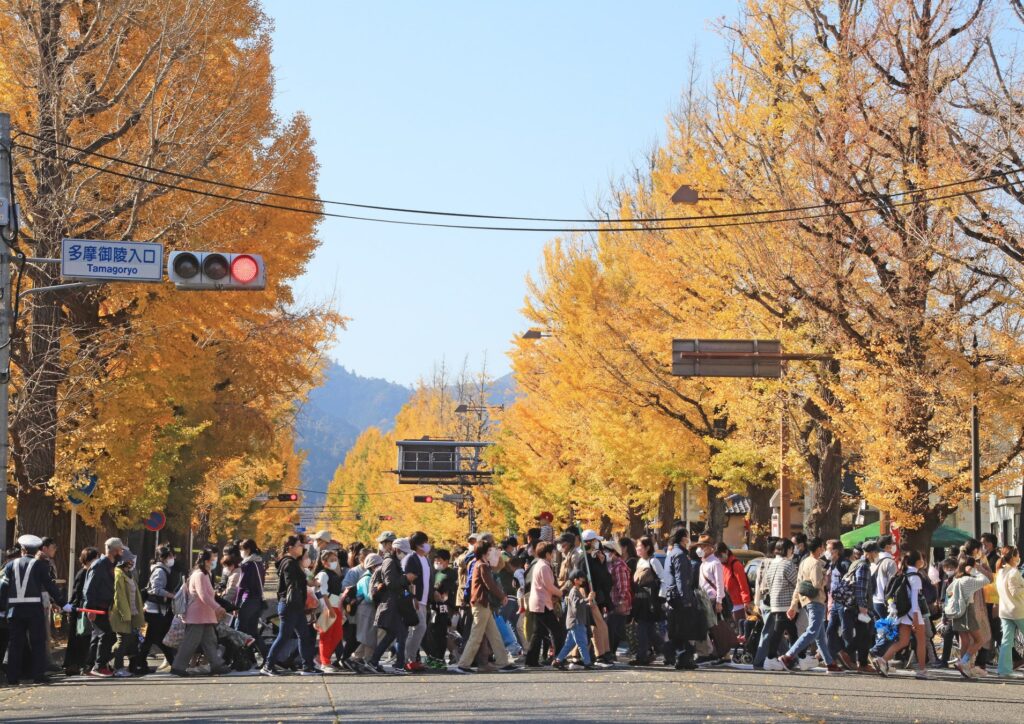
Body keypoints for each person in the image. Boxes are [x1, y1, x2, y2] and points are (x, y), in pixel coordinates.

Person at [0, 534, 70, 685]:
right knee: (38, 642)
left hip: (14, 611)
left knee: (15, 644)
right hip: (34, 611)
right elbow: (50, 586)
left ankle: (13, 677)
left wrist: (2, 609)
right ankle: (38, 675)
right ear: (36, 549)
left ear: (23, 549)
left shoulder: (10, 565)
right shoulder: (39, 565)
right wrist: (63, 604)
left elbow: (3, 588)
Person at [450, 538, 520, 674]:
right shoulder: (481, 565)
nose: (491, 552)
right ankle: (463, 665)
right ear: (484, 552)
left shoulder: (481, 564)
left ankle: (503, 662)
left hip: (483, 603)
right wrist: (502, 596)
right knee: (476, 635)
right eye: (489, 550)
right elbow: (490, 584)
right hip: (480, 603)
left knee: (494, 635)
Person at [780, 537, 839, 673]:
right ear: (819, 548)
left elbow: (798, 585)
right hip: (816, 600)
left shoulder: (804, 562)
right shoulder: (816, 564)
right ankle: (788, 656)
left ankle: (830, 663)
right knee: (813, 631)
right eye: (823, 547)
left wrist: (793, 605)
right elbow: (817, 584)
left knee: (820, 636)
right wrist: (826, 578)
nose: (823, 550)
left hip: (805, 600)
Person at [262, 535, 318, 676]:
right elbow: (291, 583)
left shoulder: (290, 562)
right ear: (290, 547)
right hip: (289, 605)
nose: (302, 547)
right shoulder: (289, 563)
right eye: (299, 545)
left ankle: (308, 666)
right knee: (284, 636)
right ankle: (268, 665)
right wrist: (304, 581)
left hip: (295, 605)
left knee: (304, 635)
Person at [170, 550, 230, 677]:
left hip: (205, 615)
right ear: (207, 561)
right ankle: (178, 667)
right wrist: (217, 607)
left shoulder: (204, 574)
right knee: (190, 642)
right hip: (197, 615)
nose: (213, 562)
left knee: (210, 641)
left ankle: (216, 664)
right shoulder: (200, 575)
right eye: (212, 560)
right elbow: (203, 595)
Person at [871, 550, 928, 679]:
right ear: (918, 561)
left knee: (903, 641)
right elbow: (914, 600)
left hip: (902, 613)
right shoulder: (916, 576)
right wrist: (915, 618)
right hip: (914, 613)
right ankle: (922, 670)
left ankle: (882, 659)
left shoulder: (902, 573)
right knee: (921, 641)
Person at [367, 537, 412, 674]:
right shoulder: (390, 562)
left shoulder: (393, 561)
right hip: (390, 604)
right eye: (403, 551)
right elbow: (390, 583)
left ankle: (374, 661)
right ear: (396, 549)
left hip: (392, 604)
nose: (404, 554)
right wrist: (406, 579)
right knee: (400, 633)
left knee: (393, 634)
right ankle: (398, 665)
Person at [753, 539, 798, 670]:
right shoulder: (786, 564)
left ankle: (794, 657)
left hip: (771, 601)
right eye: (791, 549)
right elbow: (797, 582)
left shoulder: (769, 564)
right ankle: (768, 658)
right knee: (775, 632)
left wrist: (757, 601)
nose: (792, 551)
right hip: (784, 602)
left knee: (787, 631)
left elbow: (761, 582)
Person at [84, 537, 124, 677]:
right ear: (114, 550)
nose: (122, 552)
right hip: (97, 607)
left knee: (99, 636)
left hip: (106, 606)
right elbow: (90, 588)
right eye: (120, 549)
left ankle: (92, 665)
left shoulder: (112, 564)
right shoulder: (99, 565)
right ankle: (99, 666)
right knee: (107, 634)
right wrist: (89, 608)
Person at [945, 556, 991, 679]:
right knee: (980, 640)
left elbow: (948, 592)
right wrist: (973, 571)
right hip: (967, 611)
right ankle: (963, 662)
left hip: (957, 612)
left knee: (964, 640)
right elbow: (986, 580)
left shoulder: (956, 579)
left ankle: (965, 668)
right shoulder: (968, 580)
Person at [525, 541, 565, 667]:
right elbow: (549, 586)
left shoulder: (540, 564)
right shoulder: (544, 566)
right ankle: (558, 658)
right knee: (557, 631)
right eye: (552, 552)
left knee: (539, 632)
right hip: (543, 604)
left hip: (539, 603)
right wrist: (561, 593)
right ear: (547, 553)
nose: (553, 554)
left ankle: (531, 660)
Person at [140, 545, 179, 673]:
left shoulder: (163, 569)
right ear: (163, 558)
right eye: (170, 556)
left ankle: (140, 663)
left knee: (155, 638)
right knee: (156, 638)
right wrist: (171, 595)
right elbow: (155, 589)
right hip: (154, 610)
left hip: (157, 609)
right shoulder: (160, 571)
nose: (173, 558)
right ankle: (139, 663)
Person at [664, 528, 698, 670]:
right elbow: (681, 579)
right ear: (683, 538)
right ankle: (682, 658)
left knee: (678, 629)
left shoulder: (672, 553)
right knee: (684, 629)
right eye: (688, 537)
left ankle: (679, 657)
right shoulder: (680, 555)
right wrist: (686, 600)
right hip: (680, 597)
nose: (689, 540)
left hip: (672, 596)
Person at [110, 548, 147, 676]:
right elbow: (119, 596)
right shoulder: (118, 573)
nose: (132, 562)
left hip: (132, 613)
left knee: (130, 640)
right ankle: (117, 667)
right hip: (122, 613)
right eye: (129, 559)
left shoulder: (129, 574)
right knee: (122, 640)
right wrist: (125, 613)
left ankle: (106, 660)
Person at [64, 547, 100, 676]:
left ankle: (82, 664)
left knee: (85, 638)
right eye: (97, 557)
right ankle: (75, 665)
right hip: (80, 610)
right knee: (80, 639)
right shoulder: (83, 573)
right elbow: (76, 594)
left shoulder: (91, 572)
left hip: (83, 609)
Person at [630, 536, 665, 666]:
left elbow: (663, 579)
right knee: (649, 631)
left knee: (643, 629)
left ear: (647, 548)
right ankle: (668, 652)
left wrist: (662, 597)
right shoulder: (639, 562)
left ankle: (642, 656)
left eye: (640, 546)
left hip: (650, 601)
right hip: (639, 600)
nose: (637, 548)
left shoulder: (654, 561)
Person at [403, 531, 433, 671]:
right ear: (418, 545)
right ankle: (408, 659)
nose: (427, 545)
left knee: (418, 629)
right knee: (419, 628)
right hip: (416, 600)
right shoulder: (411, 558)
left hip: (425, 600)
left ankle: (411, 658)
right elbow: (408, 580)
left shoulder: (426, 559)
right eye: (424, 542)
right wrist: (413, 597)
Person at [553, 570, 594, 670]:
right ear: (575, 580)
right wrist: (587, 599)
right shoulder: (574, 591)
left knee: (569, 644)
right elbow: (576, 604)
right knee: (582, 643)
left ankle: (558, 660)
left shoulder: (575, 590)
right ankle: (587, 662)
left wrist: (588, 602)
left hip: (574, 621)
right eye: (581, 578)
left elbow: (578, 605)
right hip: (576, 621)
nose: (583, 580)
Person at [235, 539, 267, 663]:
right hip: (258, 600)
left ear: (247, 550)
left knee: (239, 630)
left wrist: (236, 605)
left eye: (241, 549)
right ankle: (266, 657)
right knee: (253, 631)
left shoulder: (247, 564)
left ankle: (242, 659)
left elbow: (241, 586)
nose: (240, 552)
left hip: (248, 600)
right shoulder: (259, 563)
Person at [313, 549, 345, 672]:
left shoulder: (333, 573)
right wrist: (328, 608)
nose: (334, 562)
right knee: (325, 636)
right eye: (331, 560)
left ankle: (320, 658)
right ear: (324, 562)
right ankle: (324, 662)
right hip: (327, 606)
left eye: (335, 560)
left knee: (337, 635)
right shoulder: (323, 574)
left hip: (335, 605)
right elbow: (322, 592)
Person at [425, 548, 458, 668]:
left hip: (446, 607)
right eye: (436, 560)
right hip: (433, 606)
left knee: (442, 632)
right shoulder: (433, 572)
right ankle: (435, 657)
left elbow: (443, 590)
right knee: (433, 632)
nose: (437, 562)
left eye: (440, 560)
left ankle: (443, 656)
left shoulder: (451, 573)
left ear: (446, 561)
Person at [995, 546, 1024, 677]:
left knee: (1006, 641)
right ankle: (1004, 670)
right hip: (1018, 610)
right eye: (1018, 555)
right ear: (1013, 557)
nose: (1019, 557)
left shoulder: (1001, 571)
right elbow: (1015, 591)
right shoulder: (1014, 572)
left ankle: (1004, 670)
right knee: (1007, 640)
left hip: (1005, 610)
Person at [351, 553, 383, 672]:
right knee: (368, 637)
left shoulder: (371, 577)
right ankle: (368, 660)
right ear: (372, 566)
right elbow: (369, 597)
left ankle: (356, 658)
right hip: (366, 610)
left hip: (369, 610)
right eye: (379, 565)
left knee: (368, 637)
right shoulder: (367, 579)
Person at [868, 535, 898, 657]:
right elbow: (893, 586)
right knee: (891, 632)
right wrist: (893, 604)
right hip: (887, 602)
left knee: (880, 630)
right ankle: (877, 653)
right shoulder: (890, 563)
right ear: (887, 547)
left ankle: (879, 656)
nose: (894, 546)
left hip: (874, 601)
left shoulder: (874, 562)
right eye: (892, 544)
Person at [605, 541, 632, 659]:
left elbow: (623, 586)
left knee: (615, 629)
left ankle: (612, 653)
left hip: (618, 602)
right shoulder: (612, 565)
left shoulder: (619, 566)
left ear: (614, 552)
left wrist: (622, 601)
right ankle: (611, 652)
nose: (605, 553)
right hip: (613, 602)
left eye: (607, 551)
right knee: (613, 628)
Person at [717, 543, 752, 625]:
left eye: (720, 556)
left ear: (726, 552)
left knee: (739, 629)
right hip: (728, 603)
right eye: (717, 557)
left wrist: (746, 601)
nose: (719, 559)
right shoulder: (723, 565)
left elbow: (743, 584)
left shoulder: (735, 564)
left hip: (738, 604)